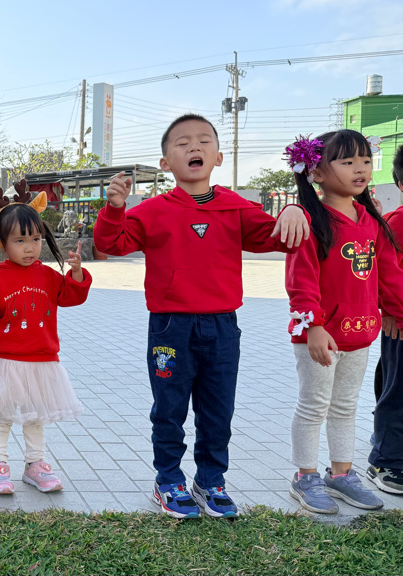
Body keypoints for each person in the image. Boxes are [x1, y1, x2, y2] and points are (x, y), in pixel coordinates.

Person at [93, 113, 310, 518]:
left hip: (222, 325)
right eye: (182, 142)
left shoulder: (236, 208)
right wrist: (114, 208)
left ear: (218, 157)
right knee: (169, 409)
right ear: (165, 163)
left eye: (204, 141)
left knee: (218, 411)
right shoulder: (152, 211)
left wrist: (297, 210)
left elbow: (281, 237)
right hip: (170, 326)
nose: (194, 146)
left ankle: (211, 481)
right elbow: (112, 244)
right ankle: (168, 480)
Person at [283, 131, 403, 514]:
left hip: (360, 334)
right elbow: (301, 280)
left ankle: (341, 474)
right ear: (316, 172)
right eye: (348, 162)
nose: (360, 169)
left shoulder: (372, 220)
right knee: (313, 406)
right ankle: (305, 477)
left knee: (346, 407)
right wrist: (314, 326)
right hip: (319, 336)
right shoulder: (309, 220)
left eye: (365, 160)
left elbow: (389, 276)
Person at [0, 189, 91, 495]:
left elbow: (70, 296)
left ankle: (35, 464)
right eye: (20, 241)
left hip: (41, 361)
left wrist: (77, 274)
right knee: (2, 416)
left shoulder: (48, 275)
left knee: (35, 416)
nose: (30, 248)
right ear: (2, 243)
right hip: (6, 361)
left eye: (36, 239)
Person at [368, 143, 403, 495]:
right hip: (401, 325)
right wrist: (392, 310)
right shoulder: (396, 223)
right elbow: (382, 273)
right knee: (397, 394)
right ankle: (386, 461)